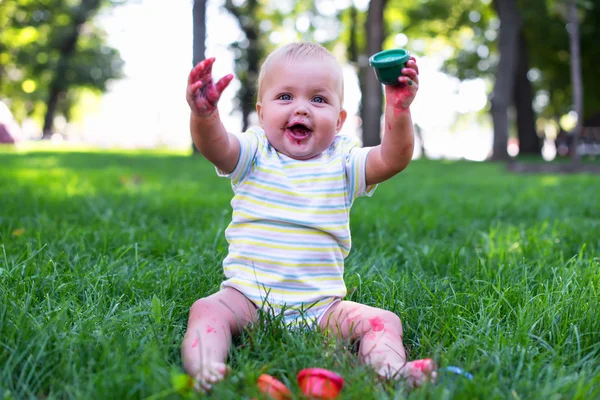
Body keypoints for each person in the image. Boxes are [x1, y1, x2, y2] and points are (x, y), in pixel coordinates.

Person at [182, 42, 436, 391]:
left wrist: (398, 108)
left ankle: (389, 369)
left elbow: (393, 158)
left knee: (382, 320)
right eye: (285, 97)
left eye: (318, 100)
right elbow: (217, 147)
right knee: (207, 310)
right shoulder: (254, 152)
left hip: (322, 310)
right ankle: (207, 368)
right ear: (261, 111)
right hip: (248, 299)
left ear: (340, 119)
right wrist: (205, 115)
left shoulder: (343, 160)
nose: (301, 108)